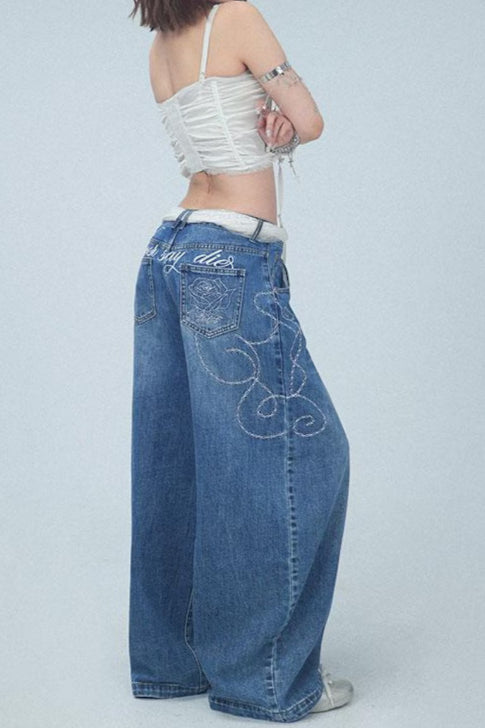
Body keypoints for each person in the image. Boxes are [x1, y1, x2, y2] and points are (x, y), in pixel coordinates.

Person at [127, 1, 353, 722]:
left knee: (178, 465)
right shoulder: (235, 14)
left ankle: (176, 663)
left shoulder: (162, 42)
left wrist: (274, 125)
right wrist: (287, 121)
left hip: (169, 252)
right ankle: (265, 680)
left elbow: (218, 136)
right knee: (298, 459)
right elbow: (310, 120)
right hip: (230, 256)